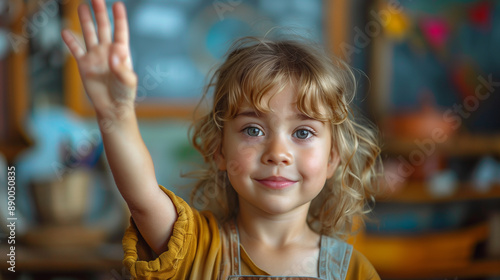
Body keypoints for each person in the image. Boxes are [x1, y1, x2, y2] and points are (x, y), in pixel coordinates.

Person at [61, 0, 382, 279]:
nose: (277, 153)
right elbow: (143, 199)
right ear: (219, 150)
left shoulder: (353, 270)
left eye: (302, 132)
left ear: (332, 158)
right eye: (253, 130)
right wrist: (115, 115)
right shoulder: (193, 245)